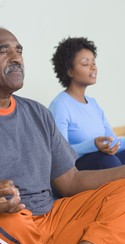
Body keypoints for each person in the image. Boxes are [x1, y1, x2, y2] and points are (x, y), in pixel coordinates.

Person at [0, 26, 125, 244]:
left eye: (19, 51)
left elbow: (71, 181)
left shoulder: (38, 113)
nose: (17, 58)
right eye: (4, 51)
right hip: (5, 225)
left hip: (52, 219)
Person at [49, 37, 125, 170]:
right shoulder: (60, 105)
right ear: (70, 71)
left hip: (103, 160)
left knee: (111, 159)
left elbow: (113, 142)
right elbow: (60, 152)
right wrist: (93, 145)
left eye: (94, 62)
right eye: (85, 63)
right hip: (74, 169)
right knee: (109, 161)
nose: (93, 67)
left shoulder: (93, 104)